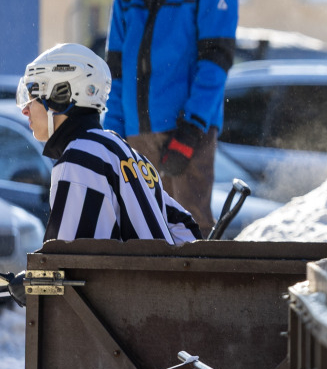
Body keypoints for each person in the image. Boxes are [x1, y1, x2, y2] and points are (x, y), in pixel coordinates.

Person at [105, 0, 238, 233]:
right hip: (135, 137)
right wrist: (112, 137)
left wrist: (191, 132)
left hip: (183, 135)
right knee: (138, 234)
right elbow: (115, 73)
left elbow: (215, 64)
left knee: (187, 231)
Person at [18, 44, 199, 247]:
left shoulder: (78, 159)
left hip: (126, 280)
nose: (25, 110)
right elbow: (185, 228)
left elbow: (64, 263)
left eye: (33, 95)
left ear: (60, 96)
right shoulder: (128, 153)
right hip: (152, 278)